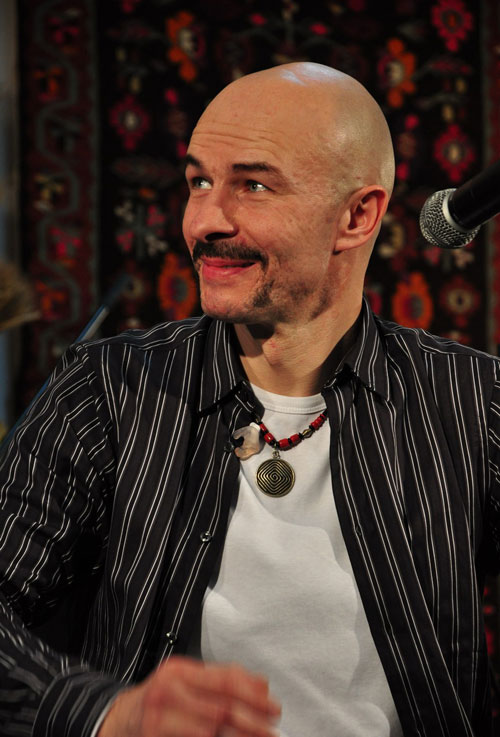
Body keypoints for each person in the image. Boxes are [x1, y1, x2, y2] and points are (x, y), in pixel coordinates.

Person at [0, 61, 498, 737]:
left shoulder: (472, 401)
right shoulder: (110, 389)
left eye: (253, 185)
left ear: (357, 216)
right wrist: (107, 712)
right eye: (199, 181)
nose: (203, 221)